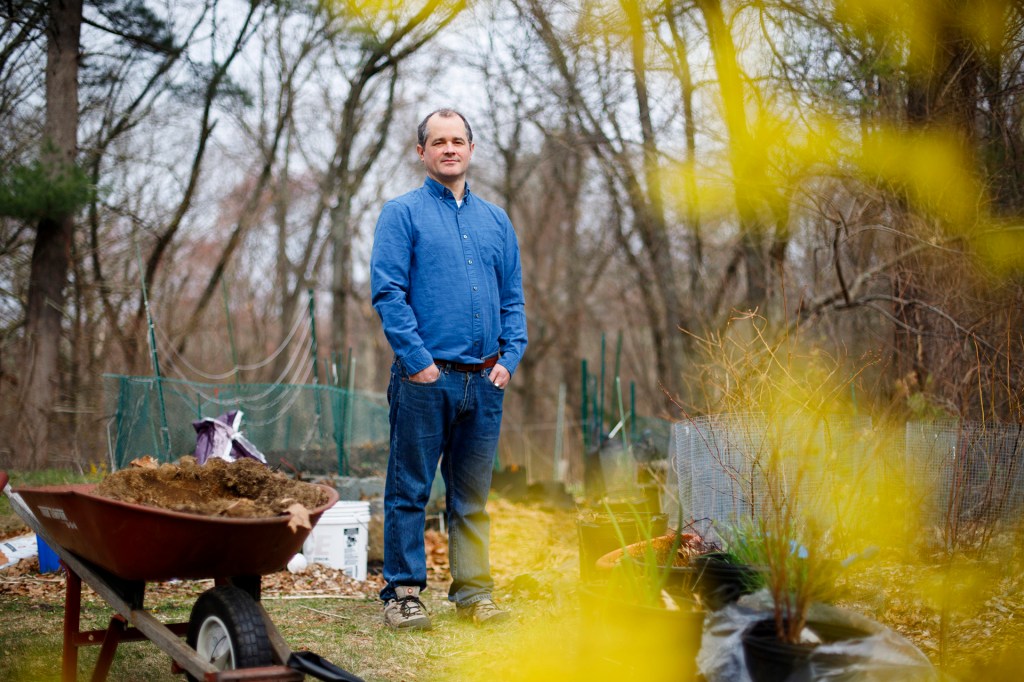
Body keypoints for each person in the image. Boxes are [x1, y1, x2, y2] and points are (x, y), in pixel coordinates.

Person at [369, 108, 528, 630]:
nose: (449, 148)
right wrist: (417, 364)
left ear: (472, 148)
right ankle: (404, 593)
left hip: (485, 381)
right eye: (438, 141)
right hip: (425, 380)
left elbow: (513, 299)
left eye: (457, 140)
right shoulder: (402, 214)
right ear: (422, 152)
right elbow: (388, 294)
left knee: (472, 498)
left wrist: (509, 359)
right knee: (410, 490)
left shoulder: (496, 221)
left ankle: (474, 595)